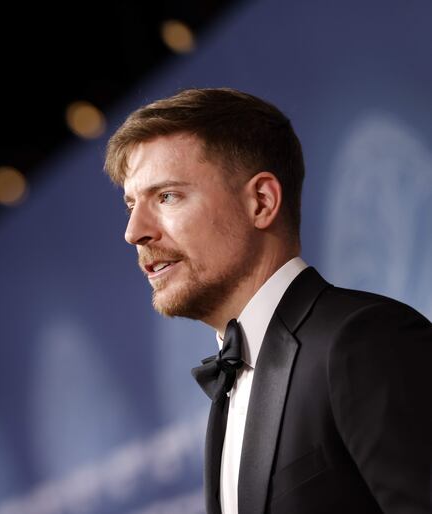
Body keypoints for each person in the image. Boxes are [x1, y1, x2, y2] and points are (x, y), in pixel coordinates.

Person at [103, 87, 431, 514]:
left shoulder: (364, 341)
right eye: (131, 204)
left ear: (261, 201)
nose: (134, 232)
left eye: (166, 196)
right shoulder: (230, 387)